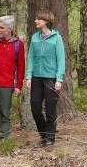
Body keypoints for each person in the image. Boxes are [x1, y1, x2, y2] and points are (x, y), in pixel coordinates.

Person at [26, 10, 65, 146]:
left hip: (51, 79)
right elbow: (30, 58)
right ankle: (43, 136)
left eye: (39, 19)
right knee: (35, 108)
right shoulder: (34, 38)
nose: (36, 21)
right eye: (36, 19)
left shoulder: (56, 38)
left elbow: (61, 60)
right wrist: (28, 76)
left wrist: (59, 79)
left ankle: (50, 139)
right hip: (36, 78)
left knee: (50, 110)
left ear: (46, 21)